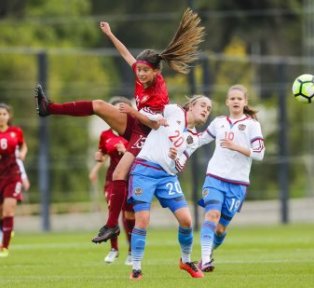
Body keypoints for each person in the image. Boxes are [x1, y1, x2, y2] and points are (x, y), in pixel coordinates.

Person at [35, 7, 205, 243]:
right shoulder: (141, 71)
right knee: (99, 105)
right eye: (140, 70)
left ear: (156, 72)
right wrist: (111, 34)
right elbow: (127, 55)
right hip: (135, 122)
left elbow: (155, 125)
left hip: (146, 134)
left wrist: (133, 111)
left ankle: (110, 225)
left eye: (146, 71)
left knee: (119, 171)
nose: (141, 74)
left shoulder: (159, 94)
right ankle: (48, 108)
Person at [126, 95, 212, 280]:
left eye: (209, 109)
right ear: (191, 105)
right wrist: (148, 116)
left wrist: (174, 158)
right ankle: (136, 268)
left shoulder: (194, 139)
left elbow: (180, 165)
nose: (206, 110)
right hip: (144, 170)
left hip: (167, 176)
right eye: (203, 105)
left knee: (186, 220)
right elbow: (148, 111)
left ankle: (186, 261)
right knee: (142, 219)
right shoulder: (173, 110)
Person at [184, 85, 265, 272]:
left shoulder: (253, 125)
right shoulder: (218, 122)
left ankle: (207, 254)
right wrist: (180, 142)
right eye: (232, 98)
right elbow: (200, 140)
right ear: (227, 102)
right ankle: (205, 260)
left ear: (245, 102)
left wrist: (235, 146)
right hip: (215, 177)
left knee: (220, 229)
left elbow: (259, 154)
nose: (236, 101)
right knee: (212, 214)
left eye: (239, 98)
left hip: (238, 184)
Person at [89, 96, 134, 265]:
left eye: (121, 110)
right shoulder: (105, 134)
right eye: (114, 110)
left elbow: (142, 155)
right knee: (112, 211)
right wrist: (98, 157)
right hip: (112, 179)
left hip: (131, 179)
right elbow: (103, 152)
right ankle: (114, 249)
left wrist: (126, 150)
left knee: (129, 215)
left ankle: (131, 251)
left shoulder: (134, 133)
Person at [0, 103, 28, 257]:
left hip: (13, 176)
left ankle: (4, 248)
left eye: (4, 114)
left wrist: (22, 153)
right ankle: (6, 231)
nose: (2, 117)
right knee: (2, 214)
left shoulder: (15, 132)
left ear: (8, 116)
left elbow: (23, 146)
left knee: (8, 210)